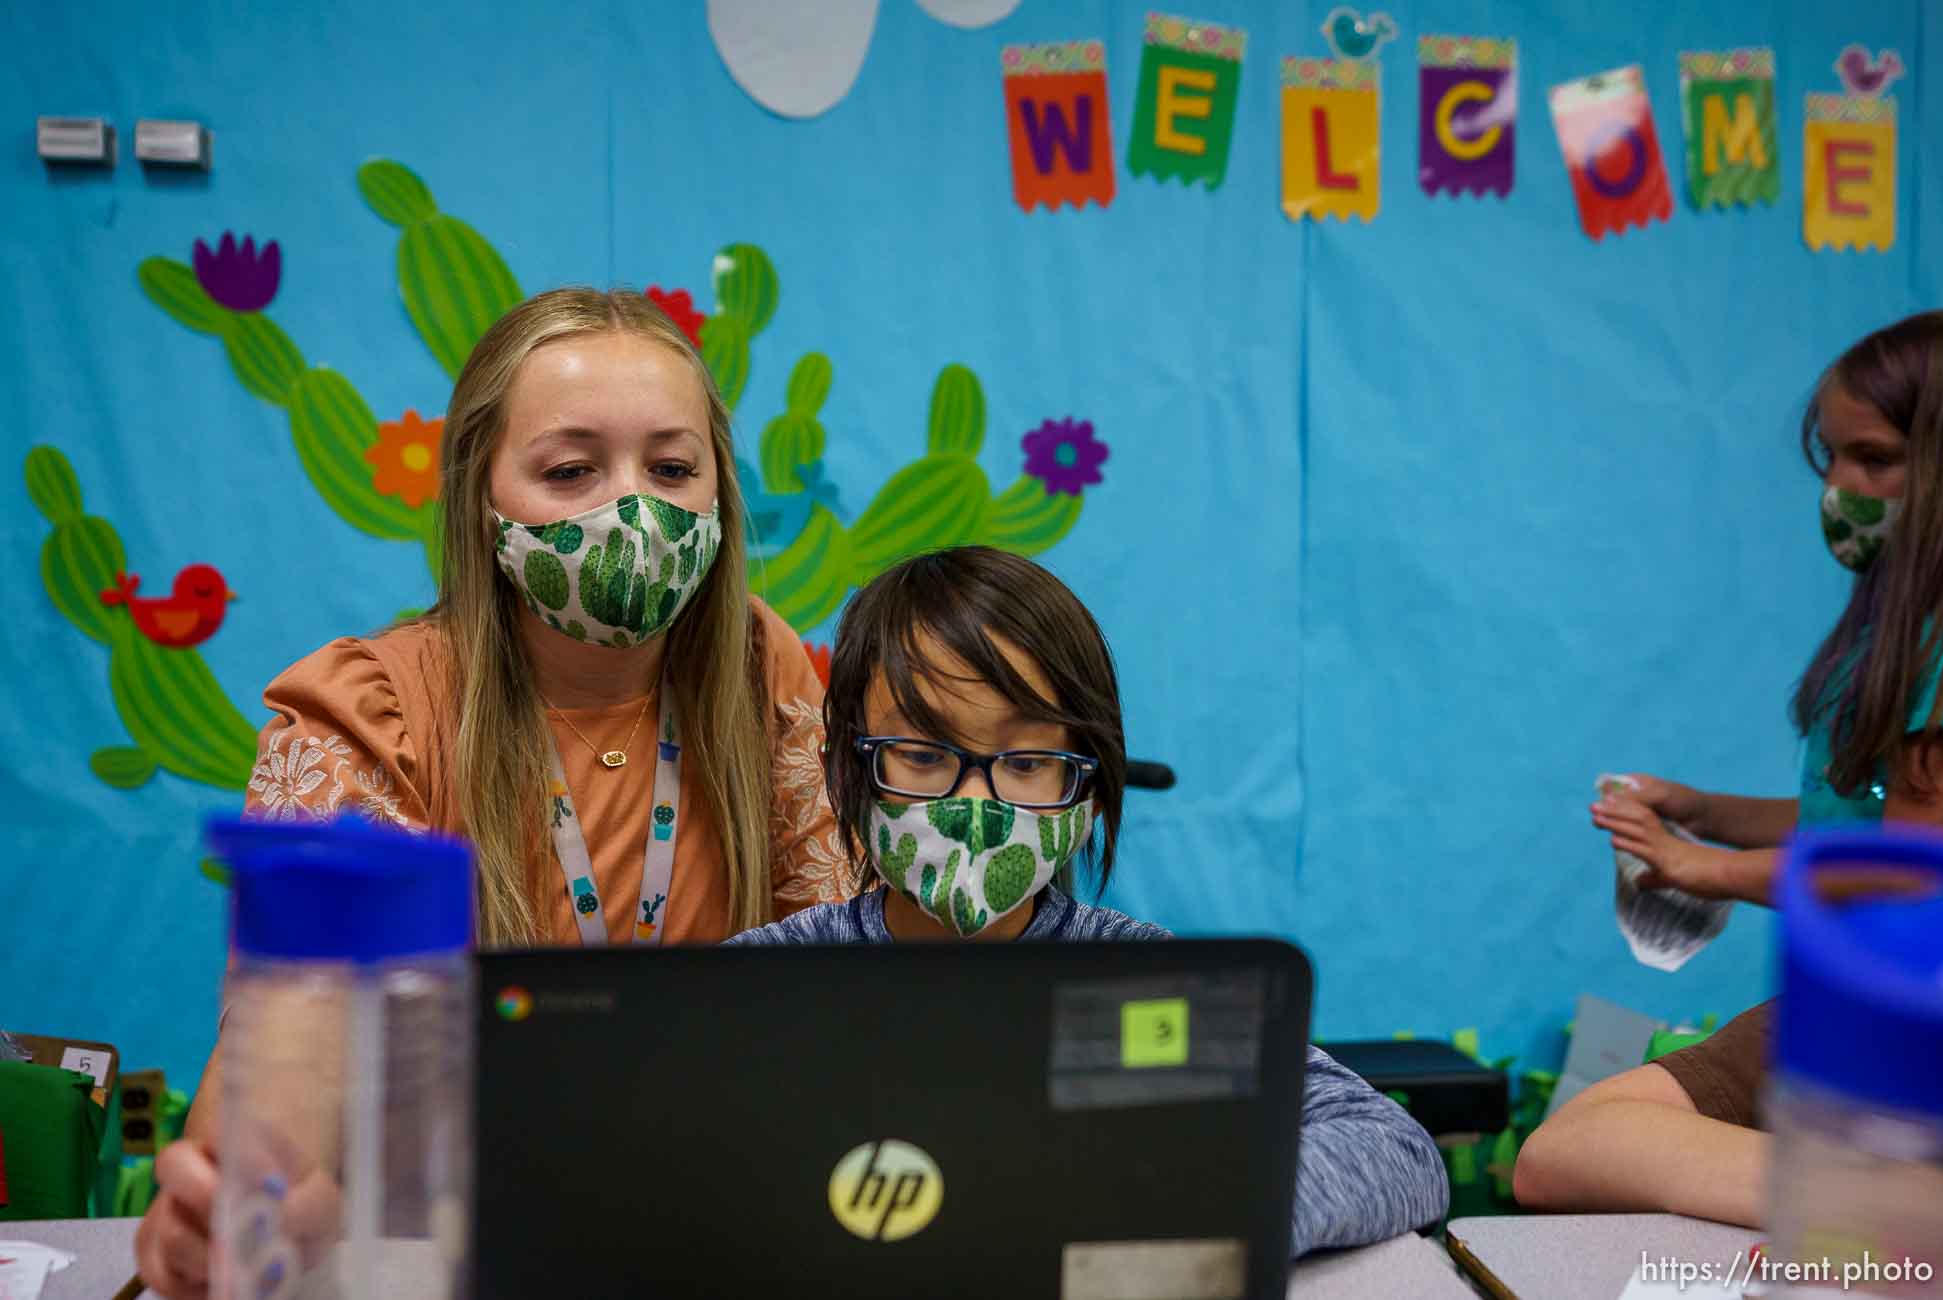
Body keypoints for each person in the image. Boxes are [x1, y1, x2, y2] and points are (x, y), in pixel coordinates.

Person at [136, 287, 851, 1298]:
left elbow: (840, 999)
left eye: (673, 467)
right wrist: (249, 1198)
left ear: (720, 494)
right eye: (571, 470)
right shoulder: (369, 711)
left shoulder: (762, 673)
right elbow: (298, 1040)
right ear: (483, 491)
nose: (633, 510)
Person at [727, 546, 1451, 1256]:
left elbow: (1395, 1148)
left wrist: (1205, 1210)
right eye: (922, 754)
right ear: (845, 772)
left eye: (1029, 762)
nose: (975, 804)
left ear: (1092, 793)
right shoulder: (761, 984)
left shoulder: (1144, 984)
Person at [1515, 311, 1943, 1226]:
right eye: (1828, 461)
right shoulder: (1896, 634)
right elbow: (1857, 817)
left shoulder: (1942, 650)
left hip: (1908, 1021)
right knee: (1563, 1153)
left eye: (1873, 459)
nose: (1840, 489)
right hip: (1859, 1005)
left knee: (1570, 1151)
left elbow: (1908, 887)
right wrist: (1706, 813)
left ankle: (1904, 1208)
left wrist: (1699, 870)